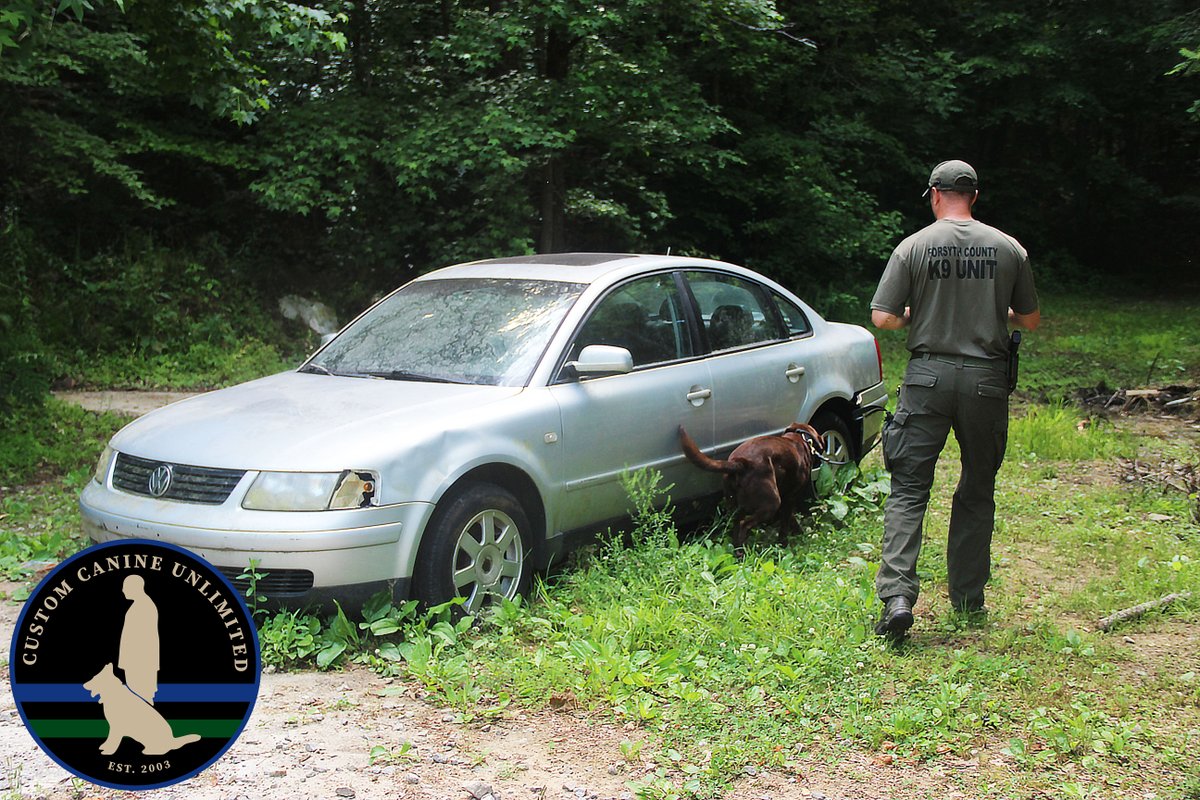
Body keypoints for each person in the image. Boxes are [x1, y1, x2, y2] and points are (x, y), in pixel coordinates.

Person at [869, 159, 1040, 639]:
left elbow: (883, 317)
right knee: (977, 487)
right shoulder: (1009, 249)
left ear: (934, 195)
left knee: (908, 489)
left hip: (926, 378)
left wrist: (913, 315)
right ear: (975, 196)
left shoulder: (913, 246)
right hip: (986, 382)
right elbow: (1028, 320)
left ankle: (898, 597)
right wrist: (994, 308)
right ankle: (968, 599)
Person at [118, 575, 161, 703]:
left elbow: (142, 639)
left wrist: (132, 662)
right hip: (137, 662)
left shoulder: (143, 606)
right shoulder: (140, 604)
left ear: (134, 588)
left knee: (141, 695)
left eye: (125, 587)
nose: (123, 590)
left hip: (139, 663)